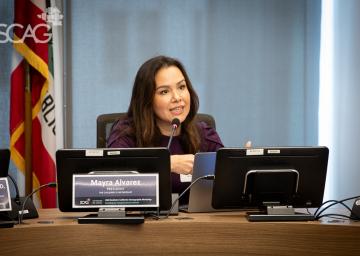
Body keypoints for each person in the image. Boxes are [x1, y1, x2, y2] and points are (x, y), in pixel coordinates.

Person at [107, 55, 224, 204]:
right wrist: (169, 164)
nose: (177, 97)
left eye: (181, 87)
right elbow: (111, 180)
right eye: (164, 92)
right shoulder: (126, 134)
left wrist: (241, 165)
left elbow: (226, 185)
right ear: (146, 100)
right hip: (143, 224)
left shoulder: (204, 134)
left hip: (197, 224)